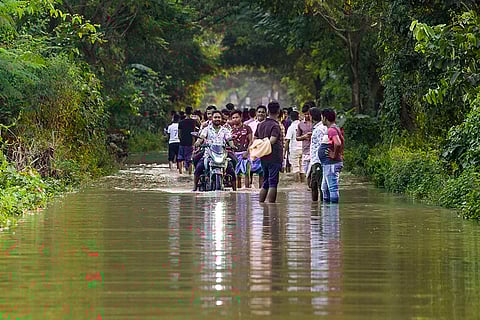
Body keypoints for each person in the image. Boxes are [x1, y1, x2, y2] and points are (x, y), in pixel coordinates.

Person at [193, 110, 237, 191]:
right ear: (212, 119)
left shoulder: (225, 130)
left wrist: (232, 145)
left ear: (221, 119)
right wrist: (198, 142)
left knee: (232, 169)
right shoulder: (206, 129)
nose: (217, 119)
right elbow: (201, 137)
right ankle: (195, 187)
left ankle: (235, 190)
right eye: (215, 117)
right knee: (198, 167)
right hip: (209, 154)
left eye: (219, 117)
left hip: (222, 154)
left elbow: (229, 139)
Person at [255, 101, 283, 203]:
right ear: (279, 111)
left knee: (265, 182)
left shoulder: (260, 125)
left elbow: (255, 139)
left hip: (263, 157)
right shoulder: (275, 126)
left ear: (267, 111)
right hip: (274, 156)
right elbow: (272, 141)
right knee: (273, 183)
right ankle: (271, 208)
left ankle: (261, 205)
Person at [319, 108, 344, 203]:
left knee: (332, 188)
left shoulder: (331, 130)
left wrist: (334, 155)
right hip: (328, 164)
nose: (321, 119)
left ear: (325, 118)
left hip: (331, 164)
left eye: (322, 117)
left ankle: (333, 213)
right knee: (324, 188)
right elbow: (342, 142)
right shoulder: (335, 128)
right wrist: (340, 154)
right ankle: (327, 212)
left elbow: (338, 143)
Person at [309, 108, 328, 201]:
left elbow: (322, 145)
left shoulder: (319, 129)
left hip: (318, 160)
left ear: (311, 116)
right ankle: (316, 207)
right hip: (315, 160)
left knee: (317, 184)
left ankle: (319, 207)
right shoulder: (318, 128)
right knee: (314, 184)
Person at [231, 110, 253, 189]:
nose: (235, 119)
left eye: (237, 117)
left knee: (246, 173)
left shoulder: (247, 128)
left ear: (241, 117)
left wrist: (247, 153)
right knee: (237, 174)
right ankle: (238, 191)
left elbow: (251, 141)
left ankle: (247, 190)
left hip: (245, 153)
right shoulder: (230, 130)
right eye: (233, 118)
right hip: (234, 154)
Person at [249, 105, 266, 188]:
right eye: (259, 112)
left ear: (266, 113)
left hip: (264, 150)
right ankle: (249, 189)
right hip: (253, 150)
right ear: (256, 113)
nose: (261, 113)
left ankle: (261, 189)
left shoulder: (268, 124)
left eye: (263, 112)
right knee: (250, 171)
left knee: (262, 172)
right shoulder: (251, 125)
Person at [296, 102, 314, 183]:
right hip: (305, 151)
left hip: (314, 151)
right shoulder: (300, 124)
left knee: (314, 173)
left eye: (308, 114)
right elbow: (297, 137)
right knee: (307, 173)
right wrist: (304, 137)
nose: (306, 116)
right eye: (305, 114)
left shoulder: (315, 123)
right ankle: (309, 188)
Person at [177, 106, 196, 174]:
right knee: (190, 159)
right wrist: (193, 143)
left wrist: (180, 139)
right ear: (191, 112)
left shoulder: (181, 122)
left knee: (180, 159)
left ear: (185, 112)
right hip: (190, 142)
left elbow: (179, 133)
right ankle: (190, 174)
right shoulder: (193, 122)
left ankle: (180, 173)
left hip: (182, 142)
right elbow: (194, 133)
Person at [284, 111, 302, 182]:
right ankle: (303, 185)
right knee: (302, 169)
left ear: (291, 118)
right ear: (298, 117)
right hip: (303, 149)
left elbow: (287, 141)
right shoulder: (302, 125)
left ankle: (297, 186)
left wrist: (284, 152)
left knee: (295, 169)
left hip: (294, 150)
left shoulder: (291, 127)